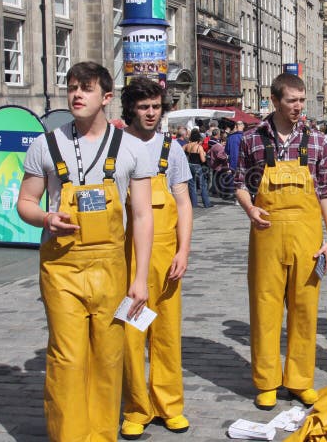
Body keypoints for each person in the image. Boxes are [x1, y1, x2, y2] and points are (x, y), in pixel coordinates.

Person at [17, 61, 153, 441]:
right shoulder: (44, 144)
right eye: (72, 87)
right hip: (62, 268)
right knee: (68, 358)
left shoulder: (130, 148)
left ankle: (102, 435)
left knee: (109, 359)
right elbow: (25, 201)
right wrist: (45, 218)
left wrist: (139, 279)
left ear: (106, 97)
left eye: (87, 88)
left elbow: (142, 217)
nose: (77, 94)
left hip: (111, 268)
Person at [234, 73, 327, 410]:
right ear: (275, 101)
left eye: (302, 100)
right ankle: (266, 381)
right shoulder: (252, 140)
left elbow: (326, 192)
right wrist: (250, 208)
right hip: (267, 235)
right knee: (265, 308)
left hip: (307, 237)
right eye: (292, 100)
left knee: (305, 310)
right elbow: (240, 184)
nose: (298, 107)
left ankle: (300, 380)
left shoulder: (318, 142)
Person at [119, 77, 193, 439]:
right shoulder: (115, 146)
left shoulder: (172, 149)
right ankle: (136, 408)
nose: (150, 113)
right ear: (130, 108)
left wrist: (183, 249)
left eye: (156, 107)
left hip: (165, 254)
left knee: (166, 334)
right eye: (144, 107)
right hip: (125, 253)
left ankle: (170, 405)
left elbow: (183, 201)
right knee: (131, 334)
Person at [183, 129, 211, 208]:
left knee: (192, 185)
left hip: (189, 165)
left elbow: (181, 151)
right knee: (202, 185)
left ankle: (194, 204)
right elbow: (202, 160)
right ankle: (206, 203)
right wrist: (205, 156)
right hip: (197, 166)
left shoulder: (187, 145)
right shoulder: (199, 147)